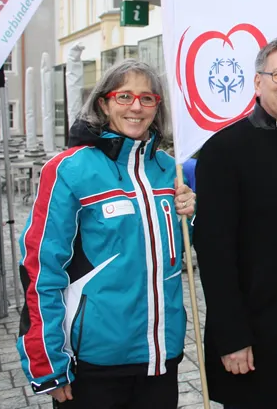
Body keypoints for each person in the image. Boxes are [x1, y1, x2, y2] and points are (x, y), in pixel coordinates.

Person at [16, 59, 196, 409]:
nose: (136, 107)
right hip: (95, 362)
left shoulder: (167, 170)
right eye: (124, 96)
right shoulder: (69, 168)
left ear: (157, 108)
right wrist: (47, 363)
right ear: (104, 103)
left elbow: (170, 255)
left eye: (147, 98)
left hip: (161, 353)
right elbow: (40, 269)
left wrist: (188, 215)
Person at [194, 37, 277, 409]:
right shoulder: (224, 150)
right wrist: (232, 337)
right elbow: (214, 251)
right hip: (252, 337)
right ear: (257, 82)